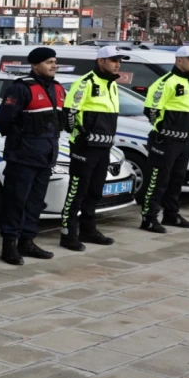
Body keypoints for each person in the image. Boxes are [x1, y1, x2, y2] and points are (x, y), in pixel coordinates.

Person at [0, 47, 67, 266]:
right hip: (23, 157)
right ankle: (9, 246)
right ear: (35, 65)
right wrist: (22, 140)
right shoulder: (21, 88)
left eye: (55, 61)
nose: (53, 65)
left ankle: (28, 241)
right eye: (48, 62)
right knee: (16, 202)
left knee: (35, 202)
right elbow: (3, 120)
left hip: (46, 156)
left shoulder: (57, 88)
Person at [59, 46, 126, 250]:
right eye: (114, 60)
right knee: (77, 191)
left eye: (119, 61)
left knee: (95, 191)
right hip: (85, 147)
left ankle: (88, 229)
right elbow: (69, 113)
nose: (118, 64)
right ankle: (68, 233)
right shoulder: (85, 83)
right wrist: (80, 137)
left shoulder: (112, 84)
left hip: (104, 147)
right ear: (101, 61)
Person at [140, 46, 189, 231]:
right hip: (165, 141)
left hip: (185, 141)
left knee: (177, 181)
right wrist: (164, 130)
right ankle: (149, 218)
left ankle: (171, 215)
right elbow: (151, 110)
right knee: (158, 181)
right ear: (179, 61)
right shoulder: (166, 82)